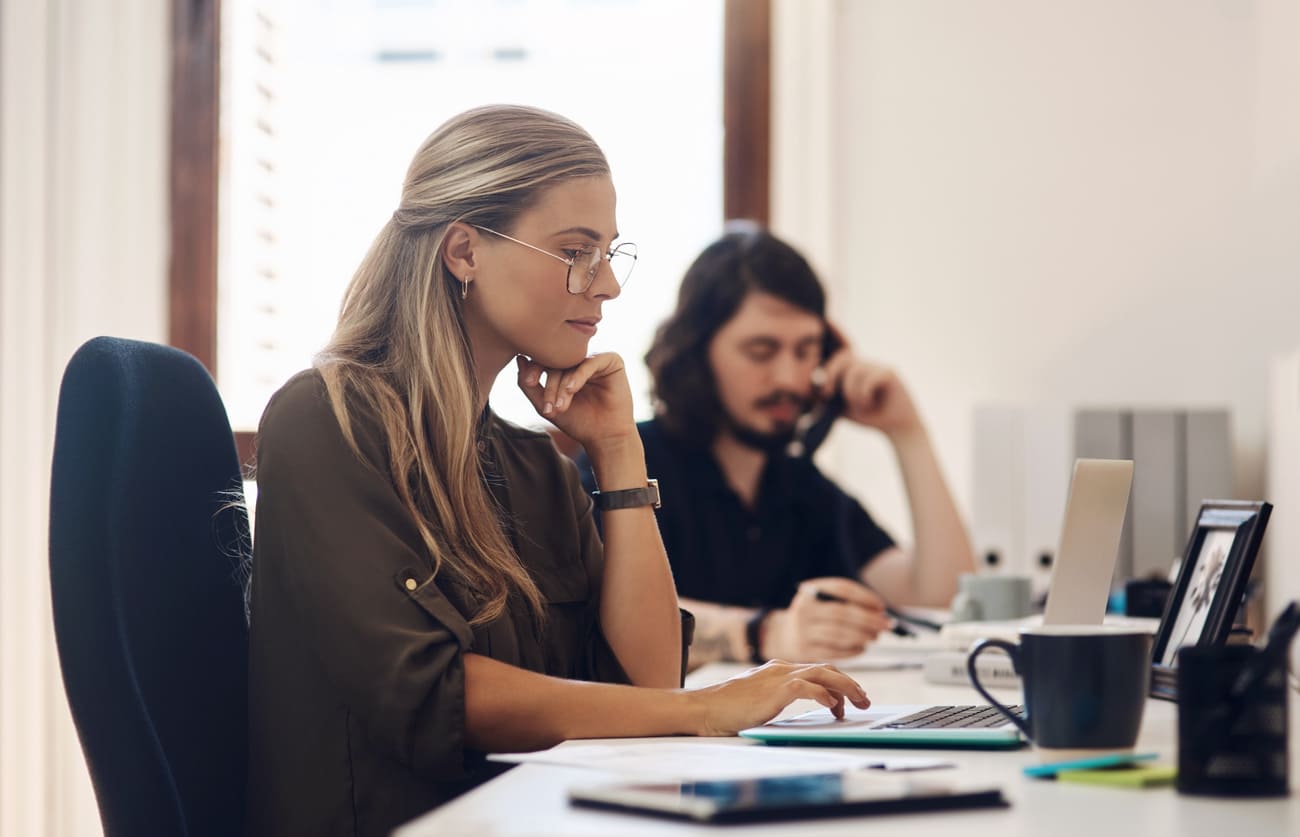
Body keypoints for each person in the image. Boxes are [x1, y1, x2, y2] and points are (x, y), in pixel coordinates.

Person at [246, 107, 868, 837]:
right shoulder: (328, 419)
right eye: (576, 251)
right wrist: (705, 707)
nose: (606, 286)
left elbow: (645, 681)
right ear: (464, 251)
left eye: (608, 253)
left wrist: (618, 453)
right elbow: (433, 693)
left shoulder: (534, 464)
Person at [580, 225, 975, 668]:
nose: (789, 378)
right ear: (697, 353)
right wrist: (765, 633)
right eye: (761, 351)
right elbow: (596, 611)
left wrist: (907, 433)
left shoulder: (803, 488)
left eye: (806, 351)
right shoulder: (623, 462)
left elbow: (943, 600)